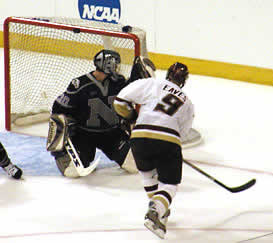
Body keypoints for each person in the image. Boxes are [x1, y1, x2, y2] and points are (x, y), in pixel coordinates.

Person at [113, 62, 194, 239]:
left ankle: (159, 211)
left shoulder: (151, 83)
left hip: (139, 137)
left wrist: (133, 118)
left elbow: (119, 102)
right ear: (184, 81)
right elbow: (183, 133)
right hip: (168, 140)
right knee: (170, 184)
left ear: (168, 75)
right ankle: (157, 210)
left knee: (147, 175)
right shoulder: (187, 102)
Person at [47, 50, 154, 178]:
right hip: (84, 135)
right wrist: (65, 129)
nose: (117, 68)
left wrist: (138, 79)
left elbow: (132, 93)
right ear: (107, 65)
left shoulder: (118, 82)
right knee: (72, 172)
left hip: (112, 135)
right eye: (115, 65)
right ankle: (63, 155)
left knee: (137, 166)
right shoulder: (80, 85)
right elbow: (58, 109)